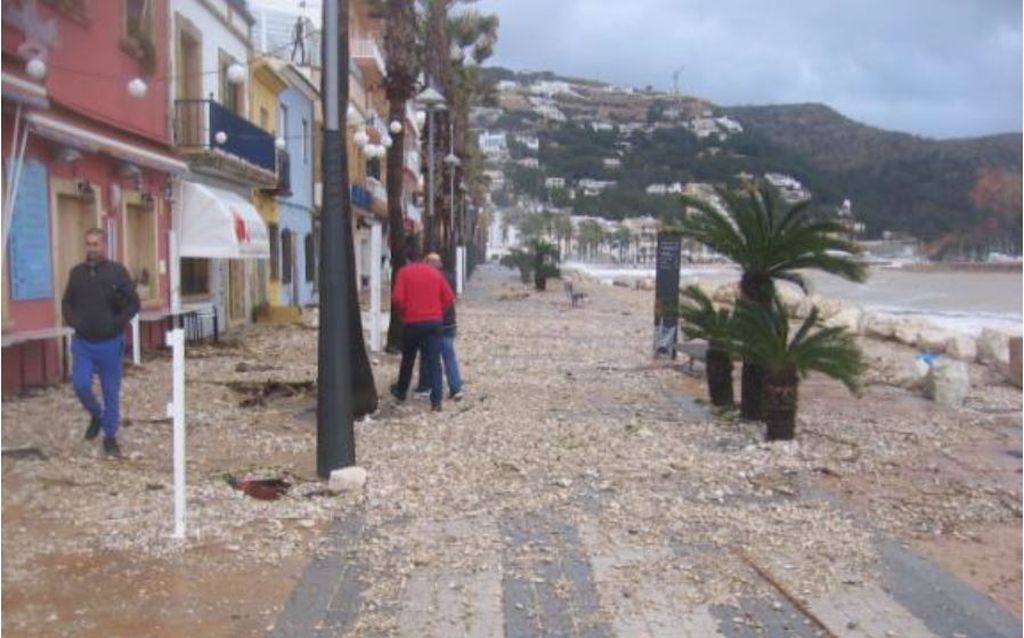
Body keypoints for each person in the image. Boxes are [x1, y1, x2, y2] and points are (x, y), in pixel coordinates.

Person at [62, 228, 139, 458]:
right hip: (84, 342)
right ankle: (96, 414)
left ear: (104, 246)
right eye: (88, 244)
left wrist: (118, 323)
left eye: (96, 244)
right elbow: (67, 303)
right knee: (80, 383)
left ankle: (110, 437)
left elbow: (133, 303)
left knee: (110, 391)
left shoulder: (117, 272)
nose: (92, 248)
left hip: (110, 342)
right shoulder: (76, 273)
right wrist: (74, 321)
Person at [390, 247, 455, 411]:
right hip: (434, 323)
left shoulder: (404, 272)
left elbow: (397, 298)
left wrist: (404, 312)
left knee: (408, 359)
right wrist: (437, 310)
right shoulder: (435, 273)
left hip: (412, 322)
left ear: (408, 259)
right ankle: (436, 401)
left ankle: (401, 392)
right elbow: (448, 297)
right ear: (422, 258)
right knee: (434, 361)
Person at [413, 253, 463, 400]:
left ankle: (425, 387)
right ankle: (456, 388)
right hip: (449, 322)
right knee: (449, 355)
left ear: (428, 263)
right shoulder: (450, 277)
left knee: (427, 355)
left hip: (433, 321)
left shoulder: (427, 278)